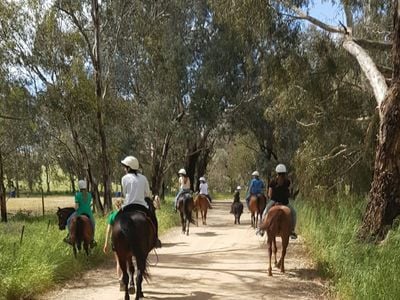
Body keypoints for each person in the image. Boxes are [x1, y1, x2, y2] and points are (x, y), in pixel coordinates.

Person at [120, 156, 161, 248]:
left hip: (128, 206)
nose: (124, 169)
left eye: (125, 167)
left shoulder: (124, 178)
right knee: (153, 219)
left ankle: (114, 244)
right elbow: (147, 193)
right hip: (141, 206)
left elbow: (124, 193)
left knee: (116, 220)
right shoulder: (143, 178)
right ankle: (155, 239)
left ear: (129, 168)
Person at [257, 164, 297, 239]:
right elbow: (288, 192)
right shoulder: (287, 181)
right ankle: (292, 231)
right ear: (285, 173)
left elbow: (269, 194)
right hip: (285, 202)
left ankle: (261, 230)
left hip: (274, 201)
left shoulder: (272, 182)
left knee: (265, 212)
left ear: (277, 172)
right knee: (294, 213)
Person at [64, 179, 97, 247]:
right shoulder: (89, 194)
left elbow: (76, 207)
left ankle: (70, 237)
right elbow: (91, 203)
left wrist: (75, 209)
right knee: (93, 223)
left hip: (79, 212)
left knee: (68, 221)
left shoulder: (77, 195)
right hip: (88, 213)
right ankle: (92, 239)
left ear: (79, 187)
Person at [103, 199, 123, 279]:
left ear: (115, 206)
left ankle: (120, 279)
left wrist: (106, 243)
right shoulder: (126, 215)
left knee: (118, 261)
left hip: (115, 240)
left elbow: (108, 231)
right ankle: (124, 277)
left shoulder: (112, 216)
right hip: (125, 240)